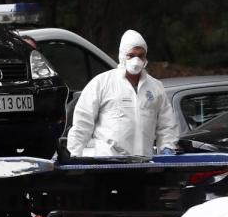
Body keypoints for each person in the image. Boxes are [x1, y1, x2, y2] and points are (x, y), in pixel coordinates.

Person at [67, 29, 179, 158]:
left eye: (141, 55)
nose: (136, 60)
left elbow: (167, 125)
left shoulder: (155, 87)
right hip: (108, 164)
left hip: (144, 164)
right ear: (122, 55)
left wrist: (167, 147)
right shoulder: (102, 83)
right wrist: (74, 154)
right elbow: (83, 122)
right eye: (131, 55)